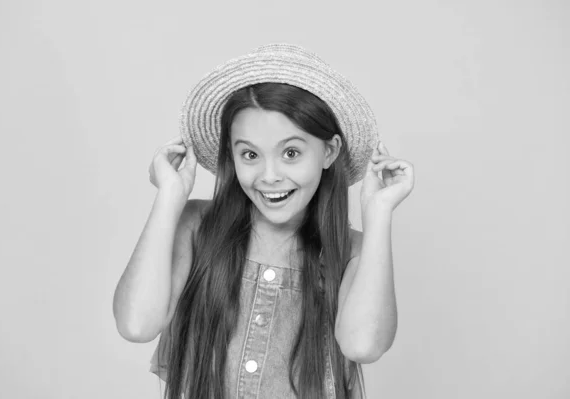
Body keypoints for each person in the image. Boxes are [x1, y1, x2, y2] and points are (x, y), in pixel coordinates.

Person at [113, 43, 415, 399]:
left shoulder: (352, 254)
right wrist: (168, 197)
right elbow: (136, 324)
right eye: (250, 154)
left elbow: (363, 345)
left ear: (329, 151)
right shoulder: (196, 226)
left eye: (291, 153)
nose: (269, 175)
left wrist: (378, 214)